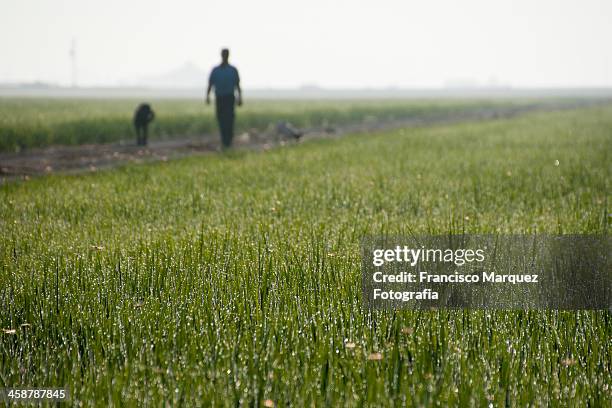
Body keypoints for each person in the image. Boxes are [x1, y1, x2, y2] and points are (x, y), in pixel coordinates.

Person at [206, 48, 242, 149]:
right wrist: (207, 96)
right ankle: (224, 140)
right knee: (221, 119)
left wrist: (240, 98)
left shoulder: (233, 70)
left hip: (229, 98)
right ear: (221, 55)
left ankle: (228, 141)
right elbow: (210, 84)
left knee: (229, 120)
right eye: (224, 54)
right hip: (220, 98)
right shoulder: (216, 70)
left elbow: (237, 85)